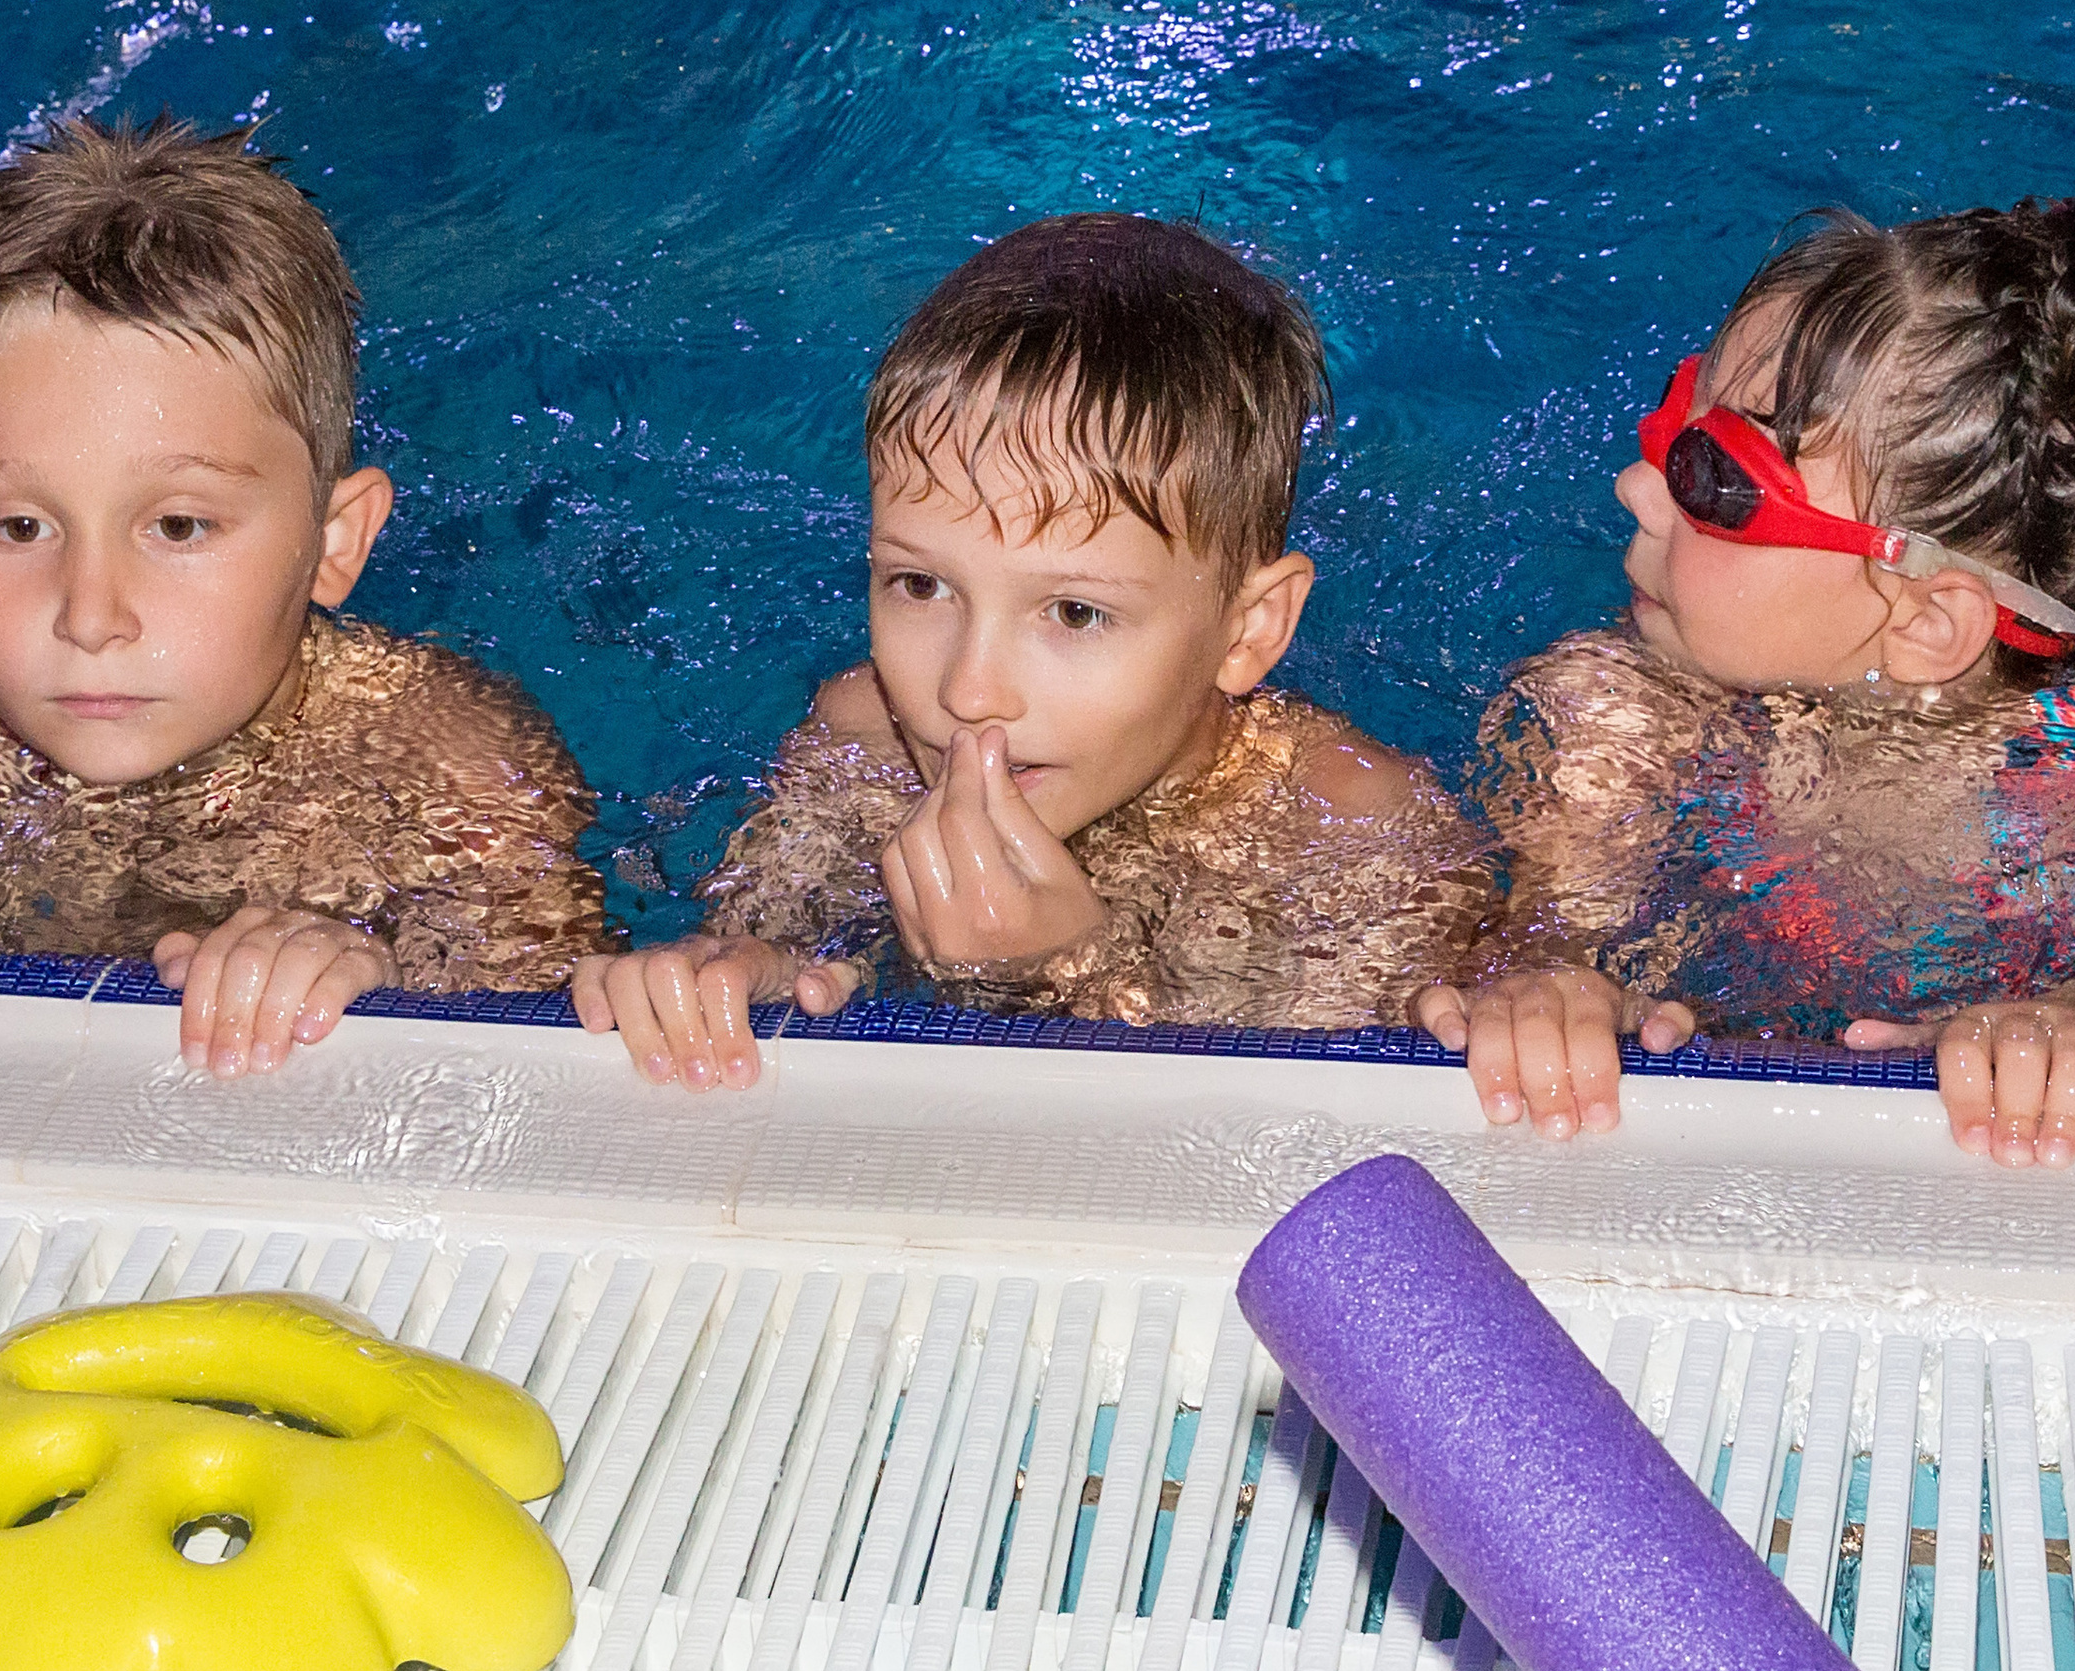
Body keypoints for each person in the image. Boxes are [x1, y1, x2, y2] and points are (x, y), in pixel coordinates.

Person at [1419, 198, 2075, 1169]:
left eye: (1715, 476)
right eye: (1676, 411)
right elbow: (1529, 940)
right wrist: (1547, 990)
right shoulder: (1616, 718)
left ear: (1926, 621)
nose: (1635, 483)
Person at [573, 212, 1490, 1087]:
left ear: (1248, 630)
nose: (967, 692)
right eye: (920, 585)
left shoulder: (1359, 833)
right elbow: (775, 932)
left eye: (1076, 613)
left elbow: (1282, 1144)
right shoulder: (863, 737)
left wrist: (1056, 980)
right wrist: (749, 976)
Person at [0, 115, 608, 1075]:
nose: (89, 616)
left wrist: (388, 978)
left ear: (332, 541)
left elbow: (547, 1058)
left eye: (180, 527)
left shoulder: (448, 771)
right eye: (19, 527)